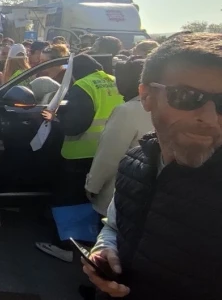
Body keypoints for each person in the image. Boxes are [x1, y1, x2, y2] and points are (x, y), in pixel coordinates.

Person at [84, 33, 222, 300]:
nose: (208, 118)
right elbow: (114, 226)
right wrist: (103, 252)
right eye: (186, 96)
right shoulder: (133, 162)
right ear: (146, 96)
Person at [36, 54, 124, 262]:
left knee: (69, 200)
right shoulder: (113, 80)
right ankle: (91, 242)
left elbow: (74, 125)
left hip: (80, 153)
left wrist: (55, 117)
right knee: (94, 200)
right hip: (108, 152)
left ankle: (66, 246)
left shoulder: (83, 86)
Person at [85, 59, 152, 216]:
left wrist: (92, 186)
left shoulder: (126, 111)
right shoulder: (164, 107)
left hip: (120, 196)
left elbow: (108, 157)